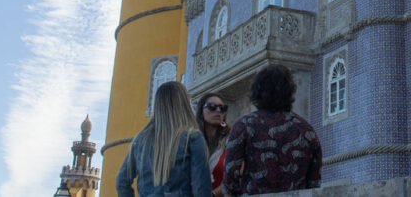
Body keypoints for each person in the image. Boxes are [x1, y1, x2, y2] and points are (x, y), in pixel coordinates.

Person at [223, 64, 321, 195]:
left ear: (257, 91)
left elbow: (230, 174)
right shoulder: (307, 130)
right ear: (290, 91)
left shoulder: (244, 125)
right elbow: (314, 182)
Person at [117, 81, 212, 197]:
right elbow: (201, 188)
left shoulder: (140, 140)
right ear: (184, 103)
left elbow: (122, 182)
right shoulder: (192, 138)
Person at [196, 92, 230, 197]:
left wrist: (213, 194)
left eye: (222, 108)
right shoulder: (190, 141)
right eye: (212, 107)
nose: (218, 110)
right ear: (201, 112)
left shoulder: (231, 140)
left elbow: (237, 176)